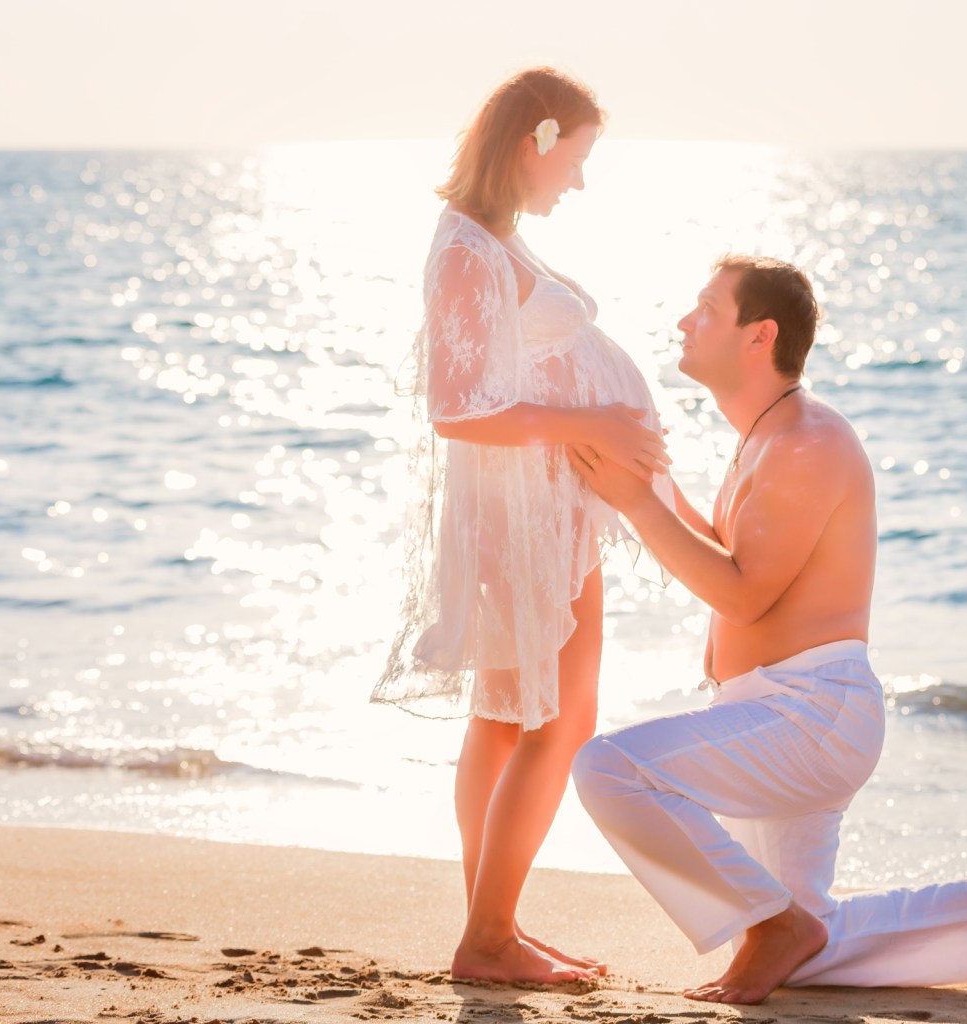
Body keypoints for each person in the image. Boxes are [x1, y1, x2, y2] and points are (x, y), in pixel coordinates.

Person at [568, 255, 967, 1004]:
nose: (685, 322)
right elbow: (725, 550)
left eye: (706, 310)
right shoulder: (766, 436)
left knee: (608, 768)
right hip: (772, 710)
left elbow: (744, 593)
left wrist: (638, 502)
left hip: (810, 712)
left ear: (760, 337)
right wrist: (641, 479)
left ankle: (773, 929)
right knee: (805, 943)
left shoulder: (805, 443)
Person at [371, 67, 673, 985]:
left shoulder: (493, 237)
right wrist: (598, 425)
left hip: (546, 509)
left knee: (507, 723)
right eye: (575, 159)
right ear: (532, 144)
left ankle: (491, 930)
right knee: (555, 720)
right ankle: (489, 937)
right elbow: (457, 409)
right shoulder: (466, 248)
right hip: (521, 513)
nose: (578, 181)